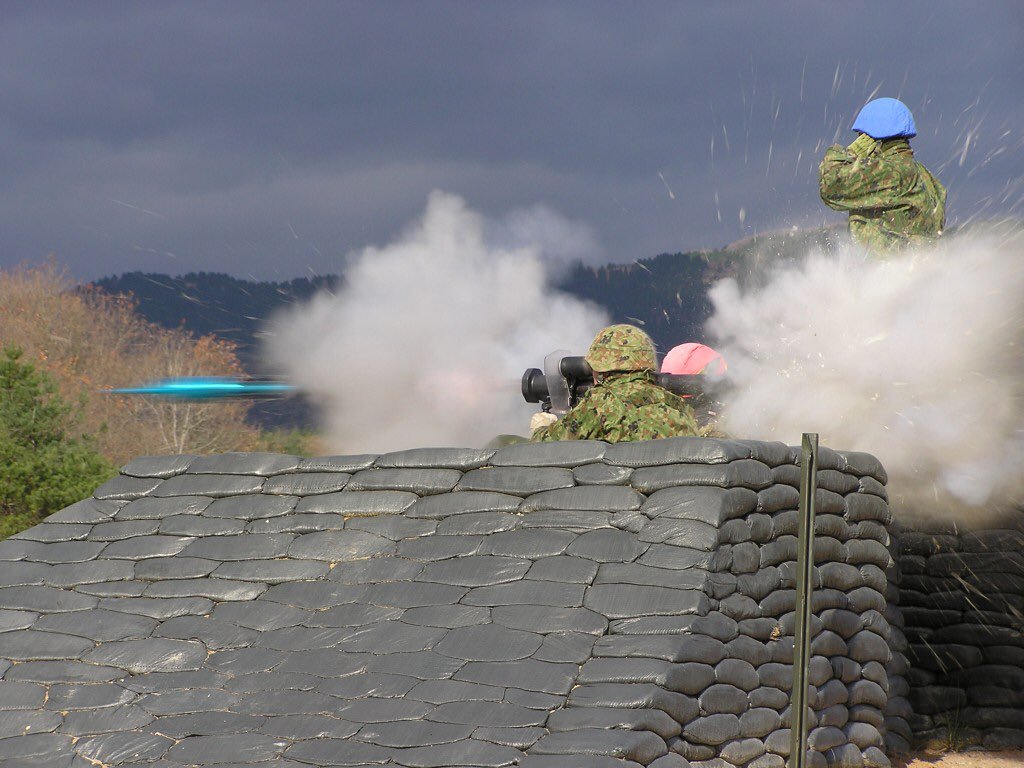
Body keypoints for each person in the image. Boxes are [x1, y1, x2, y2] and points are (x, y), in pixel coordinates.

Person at [530, 324, 700, 442]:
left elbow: (549, 444)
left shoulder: (601, 404)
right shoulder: (675, 403)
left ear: (602, 367)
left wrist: (541, 427)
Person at [819, 97, 946, 255]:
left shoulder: (891, 171)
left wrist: (851, 153)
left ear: (872, 140)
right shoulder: (925, 176)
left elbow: (831, 187)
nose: (858, 141)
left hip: (888, 267)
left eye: (861, 137)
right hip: (916, 266)